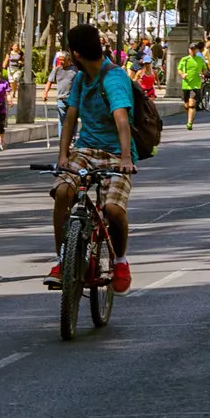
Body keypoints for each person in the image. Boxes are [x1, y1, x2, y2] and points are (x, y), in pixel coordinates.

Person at [48, 23, 137, 293]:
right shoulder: (80, 80)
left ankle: (120, 261)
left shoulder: (114, 78)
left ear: (76, 54)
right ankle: (63, 260)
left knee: (113, 209)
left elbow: (122, 120)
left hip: (116, 153)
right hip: (85, 149)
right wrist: (63, 155)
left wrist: (125, 158)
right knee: (63, 192)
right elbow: (70, 118)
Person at [177, 40, 209, 132]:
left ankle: (190, 123)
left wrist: (203, 74)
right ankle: (189, 118)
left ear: (196, 50)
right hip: (186, 84)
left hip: (195, 85)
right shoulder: (185, 59)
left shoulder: (200, 59)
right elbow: (179, 69)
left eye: (194, 49)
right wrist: (182, 74)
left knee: (192, 104)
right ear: (189, 50)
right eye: (191, 49)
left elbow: (205, 69)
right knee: (186, 105)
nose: (193, 51)